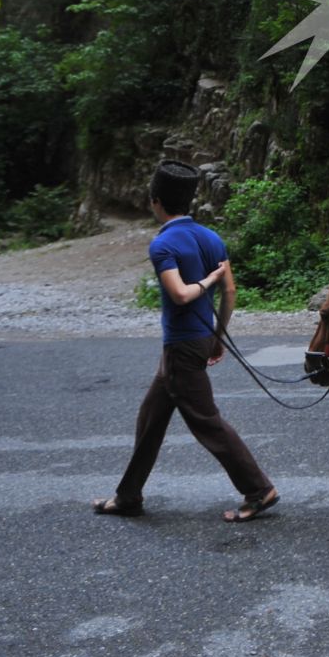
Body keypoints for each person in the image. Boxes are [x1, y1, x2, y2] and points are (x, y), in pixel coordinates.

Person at [94, 161, 280, 523]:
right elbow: (231, 290)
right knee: (151, 417)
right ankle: (128, 495)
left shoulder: (163, 243)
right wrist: (218, 336)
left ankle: (259, 490)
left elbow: (180, 294)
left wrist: (205, 282)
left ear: (156, 202)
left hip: (181, 346)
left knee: (207, 422)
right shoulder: (212, 238)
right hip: (192, 343)